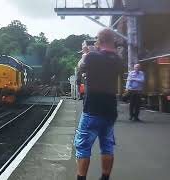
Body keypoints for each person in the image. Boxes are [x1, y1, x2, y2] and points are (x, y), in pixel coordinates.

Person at [75, 28, 123, 180]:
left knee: (83, 147)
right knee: (107, 146)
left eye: (96, 40)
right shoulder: (118, 59)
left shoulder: (92, 56)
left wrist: (85, 53)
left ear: (100, 41)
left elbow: (80, 67)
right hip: (110, 111)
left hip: (92, 109)